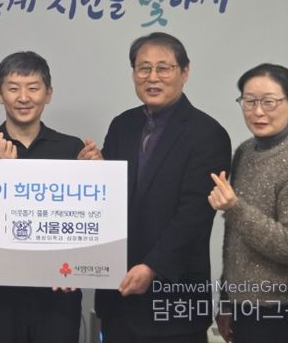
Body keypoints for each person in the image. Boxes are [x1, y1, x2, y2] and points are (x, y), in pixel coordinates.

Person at [94, 32, 232, 343]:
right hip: (119, 296)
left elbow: (194, 214)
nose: (152, 77)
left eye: (163, 68)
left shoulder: (208, 134)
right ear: (133, 73)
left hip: (173, 301)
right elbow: (111, 200)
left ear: (185, 72)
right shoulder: (122, 125)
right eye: (143, 68)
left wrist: (152, 266)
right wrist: (95, 171)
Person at [0, 51, 92, 343]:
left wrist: (96, 175)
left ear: (48, 93)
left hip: (58, 296)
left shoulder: (71, 149)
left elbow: (85, 222)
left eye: (33, 88)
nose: (23, 97)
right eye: (13, 88)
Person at [208, 63, 288, 343]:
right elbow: (235, 242)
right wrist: (226, 300)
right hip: (242, 305)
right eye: (249, 101)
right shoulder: (245, 151)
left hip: (279, 309)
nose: (258, 111)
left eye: (269, 102)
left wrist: (235, 208)